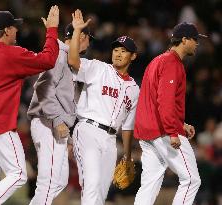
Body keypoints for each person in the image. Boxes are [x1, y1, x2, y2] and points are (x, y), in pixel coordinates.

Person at [0, 6, 60, 205]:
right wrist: (52, 30)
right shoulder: (11, 53)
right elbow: (48, 60)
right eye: (14, 27)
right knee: (19, 173)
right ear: (6, 31)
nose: (17, 30)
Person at [68, 9, 139, 205]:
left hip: (110, 140)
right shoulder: (99, 68)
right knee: (91, 184)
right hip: (88, 130)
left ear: (133, 56)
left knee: (101, 190)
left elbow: (127, 126)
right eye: (116, 49)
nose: (117, 53)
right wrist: (76, 31)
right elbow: (73, 61)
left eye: (123, 51)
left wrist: (127, 155)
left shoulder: (134, 88)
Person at [134, 22, 207, 205]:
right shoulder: (171, 62)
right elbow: (165, 101)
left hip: (148, 132)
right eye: (195, 39)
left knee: (149, 185)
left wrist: (181, 124)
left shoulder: (157, 60)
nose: (197, 43)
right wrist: (174, 131)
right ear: (184, 40)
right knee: (191, 180)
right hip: (164, 131)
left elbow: (154, 100)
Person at [27, 22, 92, 205]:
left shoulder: (68, 58)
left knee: (59, 181)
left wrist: (69, 136)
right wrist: (56, 120)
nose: (89, 44)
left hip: (54, 124)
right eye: (88, 39)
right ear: (81, 37)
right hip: (48, 121)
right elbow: (42, 88)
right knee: (48, 183)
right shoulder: (59, 54)